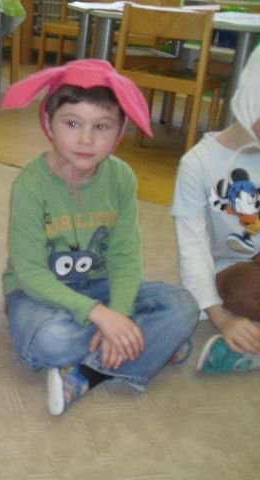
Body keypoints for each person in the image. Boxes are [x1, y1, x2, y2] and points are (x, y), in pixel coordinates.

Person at [0, 59, 200, 416]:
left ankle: (89, 374)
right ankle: (148, 346)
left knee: (184, 305)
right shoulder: (30, 184)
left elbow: (125, 257)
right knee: (49, 340)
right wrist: (101, 316)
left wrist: (117, 313)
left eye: (102, 126)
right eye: (72, 123)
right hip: (39, 295)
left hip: (100, 286)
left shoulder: (121, 178)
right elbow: (30, 273)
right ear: (48, 122)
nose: (86, 139)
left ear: (120, 130)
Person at [172, 45, 260, 373]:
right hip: (233, 273)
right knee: (248, 289)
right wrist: (222, 319)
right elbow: (192, 248)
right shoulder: (198, 164)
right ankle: (245, 339)